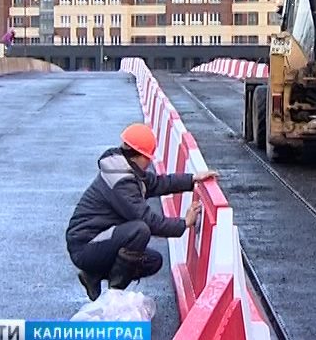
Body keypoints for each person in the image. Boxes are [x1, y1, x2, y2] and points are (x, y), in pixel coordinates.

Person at [65, 123, 217, 301]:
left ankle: (93, 275)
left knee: (152, 261)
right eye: (148, 157)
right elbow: (148, 221)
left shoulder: (125, 169)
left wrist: (191, 180)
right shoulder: (121, 181)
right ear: (140, 156)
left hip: (100, 239)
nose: (150, 162)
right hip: (85, 245)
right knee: (140, 230)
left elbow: (158, 183)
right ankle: (114, 297)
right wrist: (184, 223)